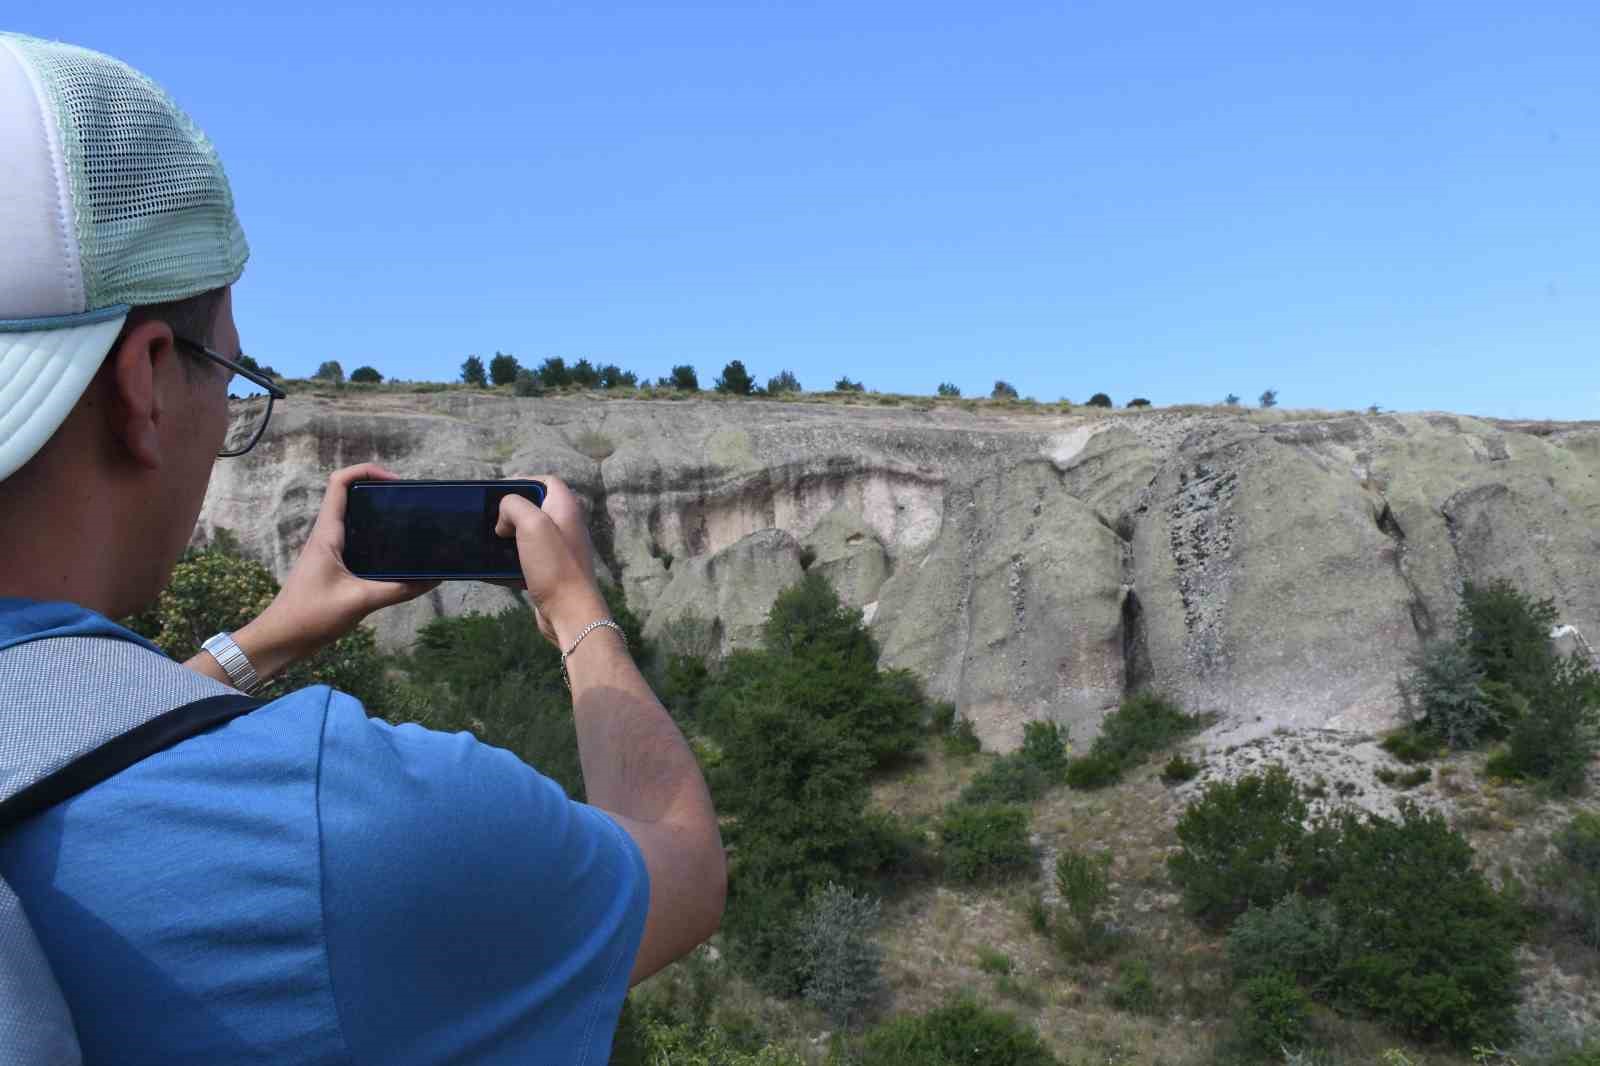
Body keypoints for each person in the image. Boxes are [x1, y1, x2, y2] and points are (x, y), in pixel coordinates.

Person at [0, 31, 724, 1063]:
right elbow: (683, 868)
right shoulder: (333, 827)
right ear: (145, 383)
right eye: (230, 376)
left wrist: (268, 637)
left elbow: (47, 748)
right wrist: (578, 614)